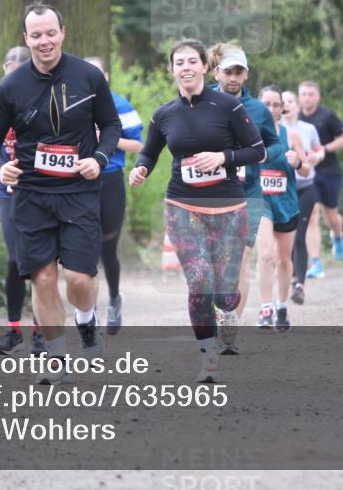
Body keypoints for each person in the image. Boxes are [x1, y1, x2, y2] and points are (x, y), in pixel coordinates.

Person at [0, 3, 122, 385]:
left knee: (78, 279)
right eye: (36, 35)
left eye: (50, 33)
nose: (44, 41)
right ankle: (56, 357)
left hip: (78, 192)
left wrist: (100, 158)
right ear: (26, 39)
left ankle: (87, 320)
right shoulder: (12, 86)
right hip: (31, 194)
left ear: (63, 33)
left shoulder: (88, 76)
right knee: (42, 279)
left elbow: (110, 126)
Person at [129, 38, 265, 382]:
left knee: (226, 294)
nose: (186, 68)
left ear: (205, 67)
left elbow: (257, 150)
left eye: (192, 61)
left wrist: (223, 157)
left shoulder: (228, 107)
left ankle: (227, 311)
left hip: (229, 206)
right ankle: (208, 360)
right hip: (182, 206)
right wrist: (141, 168)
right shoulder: (163, 114)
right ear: (172, 70)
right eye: (179, 63)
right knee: (200, 279)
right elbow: (149, 152)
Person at [207, 43, 286, 354]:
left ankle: (229, 332)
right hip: (211, 191)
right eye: (228, 72)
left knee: (240, 262)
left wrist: (263, 155)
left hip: (248, 193)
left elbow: (276, 145)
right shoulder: (202, 102)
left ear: (246, 75)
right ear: (217, 73)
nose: (233, 78)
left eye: (238, 72)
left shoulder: (259, 110)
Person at [0, 47, 47, 356]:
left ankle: (40, 332)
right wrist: (2, 169)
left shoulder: (44, 101)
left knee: (40, 260)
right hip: (8, 189)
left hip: (40, 189)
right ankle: (13, 330)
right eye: (7, 75)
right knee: (15, 258)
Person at [84, 56, 143, 335]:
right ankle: (89, 311)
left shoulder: (119, 104)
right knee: (86, 249)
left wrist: (108, 137)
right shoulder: (73, 105)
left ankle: (114, 299)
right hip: (80, 182)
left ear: (106, 76)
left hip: (110, 180)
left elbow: (138, 145)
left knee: (107, 249)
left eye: (97, 74)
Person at [254, 85, 309, 332]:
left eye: (276, 105)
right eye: (266, 104)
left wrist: (297, 163)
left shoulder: (291, 136)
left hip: (286, 203)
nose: (271, 109)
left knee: (284, 259)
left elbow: (306, 170)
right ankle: (266, 308)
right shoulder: (249, 134)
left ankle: (281, 306)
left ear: (281, 108)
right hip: (260, 201)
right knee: (266, 253)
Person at [298, 81, 343, 278]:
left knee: (331, 217)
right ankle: (316, 262)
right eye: (303, 94)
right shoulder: (296, 118)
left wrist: (324, 149)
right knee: (311, 215)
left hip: (329, 171)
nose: (307, 98)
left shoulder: (327, 116)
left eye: (310, 94)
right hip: (307, 173)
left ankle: (337, 235)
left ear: (318, 96)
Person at [280, 90, 323, 305]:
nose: (286, 105)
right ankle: (291, 276)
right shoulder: (272, 129)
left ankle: (299, 285)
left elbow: (319, 150)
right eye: (282, 102)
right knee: (286, 237)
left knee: (299, 236)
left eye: (290, 101)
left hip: (306, 187)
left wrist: (316, 156)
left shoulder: (308, 129)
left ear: (296, 106)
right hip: (283, 189)